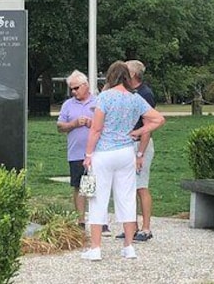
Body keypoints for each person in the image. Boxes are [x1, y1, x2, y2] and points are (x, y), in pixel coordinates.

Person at [80, 61, 166, 261]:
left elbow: (96, 129)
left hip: (104, 152)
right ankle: (128, 246)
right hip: (126, 151)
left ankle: (96, 248)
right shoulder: (135, 99)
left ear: (110, 76)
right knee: (127, 197)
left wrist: (88, 154)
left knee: (98, 198)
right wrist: (138, 131)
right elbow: (158, 119)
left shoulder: (105, 97)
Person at [56, 70, 110, 235]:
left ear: (86, 86)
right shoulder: (68, 105)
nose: (73, 91)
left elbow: (108, 126)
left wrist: (91, 124)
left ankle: (101, 221)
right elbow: (60, 126)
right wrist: (73, 124)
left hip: (97, 152)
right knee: (79, 186)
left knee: (98, 186)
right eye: (71, 89)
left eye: (76, 88)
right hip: (76, 153)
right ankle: (81, 221)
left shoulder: (98, 102)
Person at [115, 59, 157, 242]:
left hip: (140, 144)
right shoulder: (127, 92)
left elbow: (148, 126)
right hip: (126, 143)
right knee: (128, 187)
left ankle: (146, 228)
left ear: (133, 74)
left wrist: (140, 153)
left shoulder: (145, 94)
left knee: (141, 186)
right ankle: (131, 226)